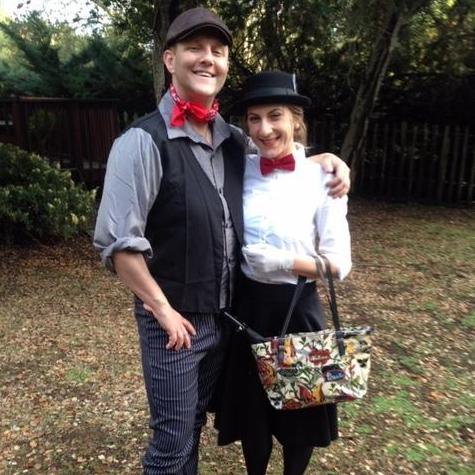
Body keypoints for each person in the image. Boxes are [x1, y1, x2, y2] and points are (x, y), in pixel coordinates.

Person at [93, 7, 350, 475]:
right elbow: (118, 245)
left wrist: (328, 161)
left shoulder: (232, 141)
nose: (207, 58)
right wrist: (163, 310)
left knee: (198, 422)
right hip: (174, 322)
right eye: (194, 48)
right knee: (173, 442)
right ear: (169, 59)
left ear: (226, 64)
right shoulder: (141, 142)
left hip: (230, 318)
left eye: (217, 50)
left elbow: (281, 157)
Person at [214, 71, 352, 475]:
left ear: (296, 119)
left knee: (299, 421)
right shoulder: (238, 169)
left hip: (298, 311)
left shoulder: (323, 178)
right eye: (254, 119)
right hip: (248, 310)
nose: (264, 129)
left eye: (275, 116)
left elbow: (339, 264)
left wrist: (282, 262)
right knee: (252, 418)